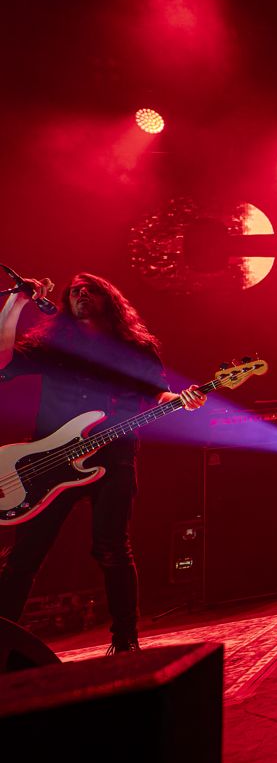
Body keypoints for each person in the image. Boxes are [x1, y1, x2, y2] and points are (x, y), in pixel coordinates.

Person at [0, 272, 205, 653]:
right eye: (74, 290)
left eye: (89, 288)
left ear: (108, 297)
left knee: (112, 547)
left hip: (114, 454)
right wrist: (16, 303)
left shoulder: (137, 347)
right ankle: (3, 644)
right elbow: (3, 358)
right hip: (48, 461)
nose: (80, 293)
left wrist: (180, 399)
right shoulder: (52, 346)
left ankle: (125, 641)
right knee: (24, 556)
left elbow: (155, 391)